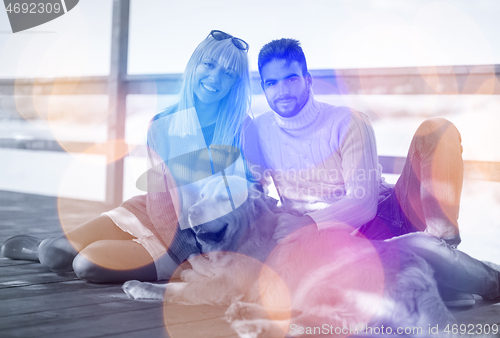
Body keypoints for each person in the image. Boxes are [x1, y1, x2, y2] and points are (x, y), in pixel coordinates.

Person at [252, 38, 499, 306]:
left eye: (291, 79)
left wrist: (308, 222)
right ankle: (443, 269)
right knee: (414, 253)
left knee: (438, 131)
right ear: (263, 88)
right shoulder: (261, 130)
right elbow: (253, 189)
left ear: (308, 80)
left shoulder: (347, 122)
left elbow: (363, 204)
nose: (282, 90)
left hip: (393, 212)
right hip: (345, 244)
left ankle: (443, 247)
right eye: (271, 83)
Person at [1, 30, 260, 283]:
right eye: (209, 65)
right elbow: (160, 202)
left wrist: (193, 257)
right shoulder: (162, 125)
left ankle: (122, 252)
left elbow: (253, 200)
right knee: (53, 254)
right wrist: (186, 255)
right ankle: (40, 248)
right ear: (195, 65)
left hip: (200, 242)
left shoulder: (243, 129)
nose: (215, 78)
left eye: (228, 73)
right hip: (154, 215)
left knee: (86, 264)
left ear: (236, 83)